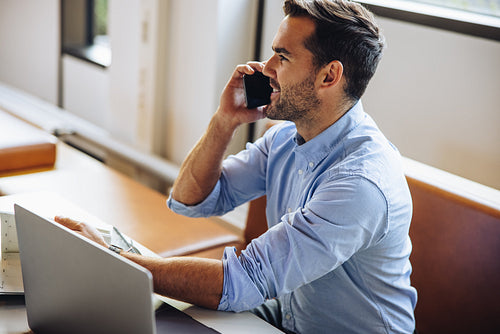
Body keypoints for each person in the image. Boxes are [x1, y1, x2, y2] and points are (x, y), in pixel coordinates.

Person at [57, 0, 417, 333]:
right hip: (288, 317)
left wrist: (113, 261)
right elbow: (189, 200)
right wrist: (224, 120)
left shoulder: (360, 184)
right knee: (152, 319)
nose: (266, 68)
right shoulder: (284, 140)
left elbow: (242, 282)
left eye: (282, 57)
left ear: (329, 76)